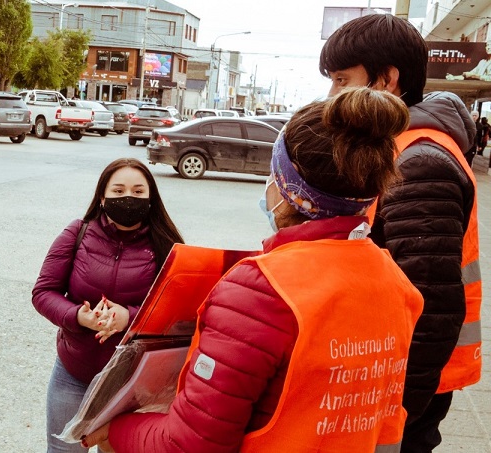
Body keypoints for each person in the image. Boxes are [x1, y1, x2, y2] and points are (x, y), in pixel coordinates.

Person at [83, 87, 423, 452]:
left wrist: (117, 428)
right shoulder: (393, 279)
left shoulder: (262, 289)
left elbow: (191, 445)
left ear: (286, 187)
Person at [320, 13, 481, 452]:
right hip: (391, 371)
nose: (331, 94)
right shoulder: (399, 150)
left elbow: (431, 305)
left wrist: (397, 409)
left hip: (405, 384)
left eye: (341, 79)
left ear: (386, 79)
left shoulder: (419, 162)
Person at [32, 158, 184, 453]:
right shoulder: (77, 234)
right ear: (102, 197)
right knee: (63, 449)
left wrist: (129, 317)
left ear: (151, 198)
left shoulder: (166, 245)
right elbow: (43, 292)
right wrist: (78, 316)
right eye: (119, 190)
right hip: (74, 371)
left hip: (132, 383)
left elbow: (179, 311)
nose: (129, 198)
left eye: (139, 191)